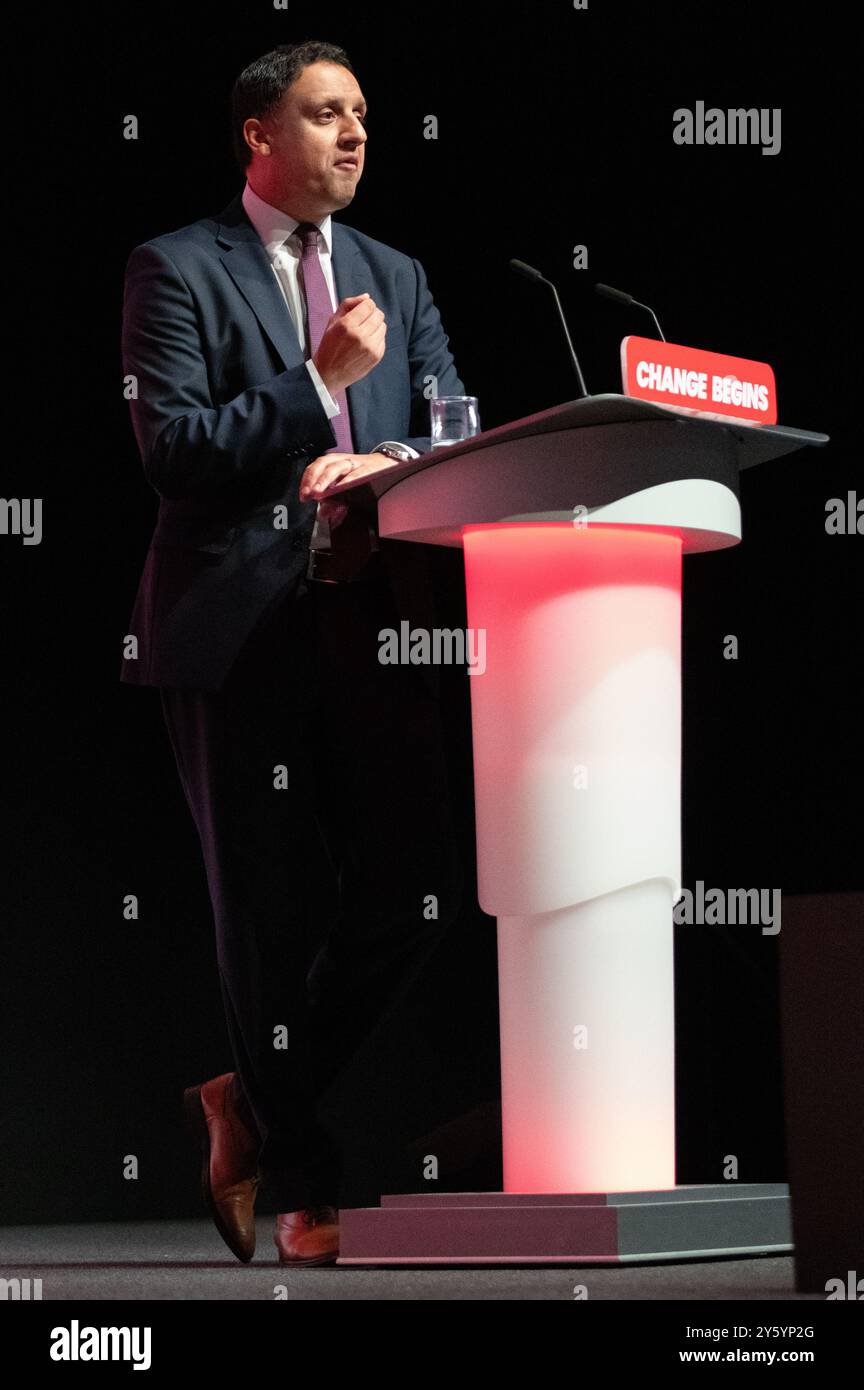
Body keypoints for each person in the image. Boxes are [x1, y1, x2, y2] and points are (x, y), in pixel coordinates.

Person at [120, 39, 466, 1266]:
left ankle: (246, 1101)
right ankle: (307, 1177)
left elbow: (450, 429)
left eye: (364, 113)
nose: (356, 133)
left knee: (417, 886)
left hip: (373, 618)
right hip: (236, 630)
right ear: (259, 137)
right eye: (327, 114)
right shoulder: (177, 267)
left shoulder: (398, 274)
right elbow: (174, 451)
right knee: (263, 918)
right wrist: (319, 386)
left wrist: (394, 462)